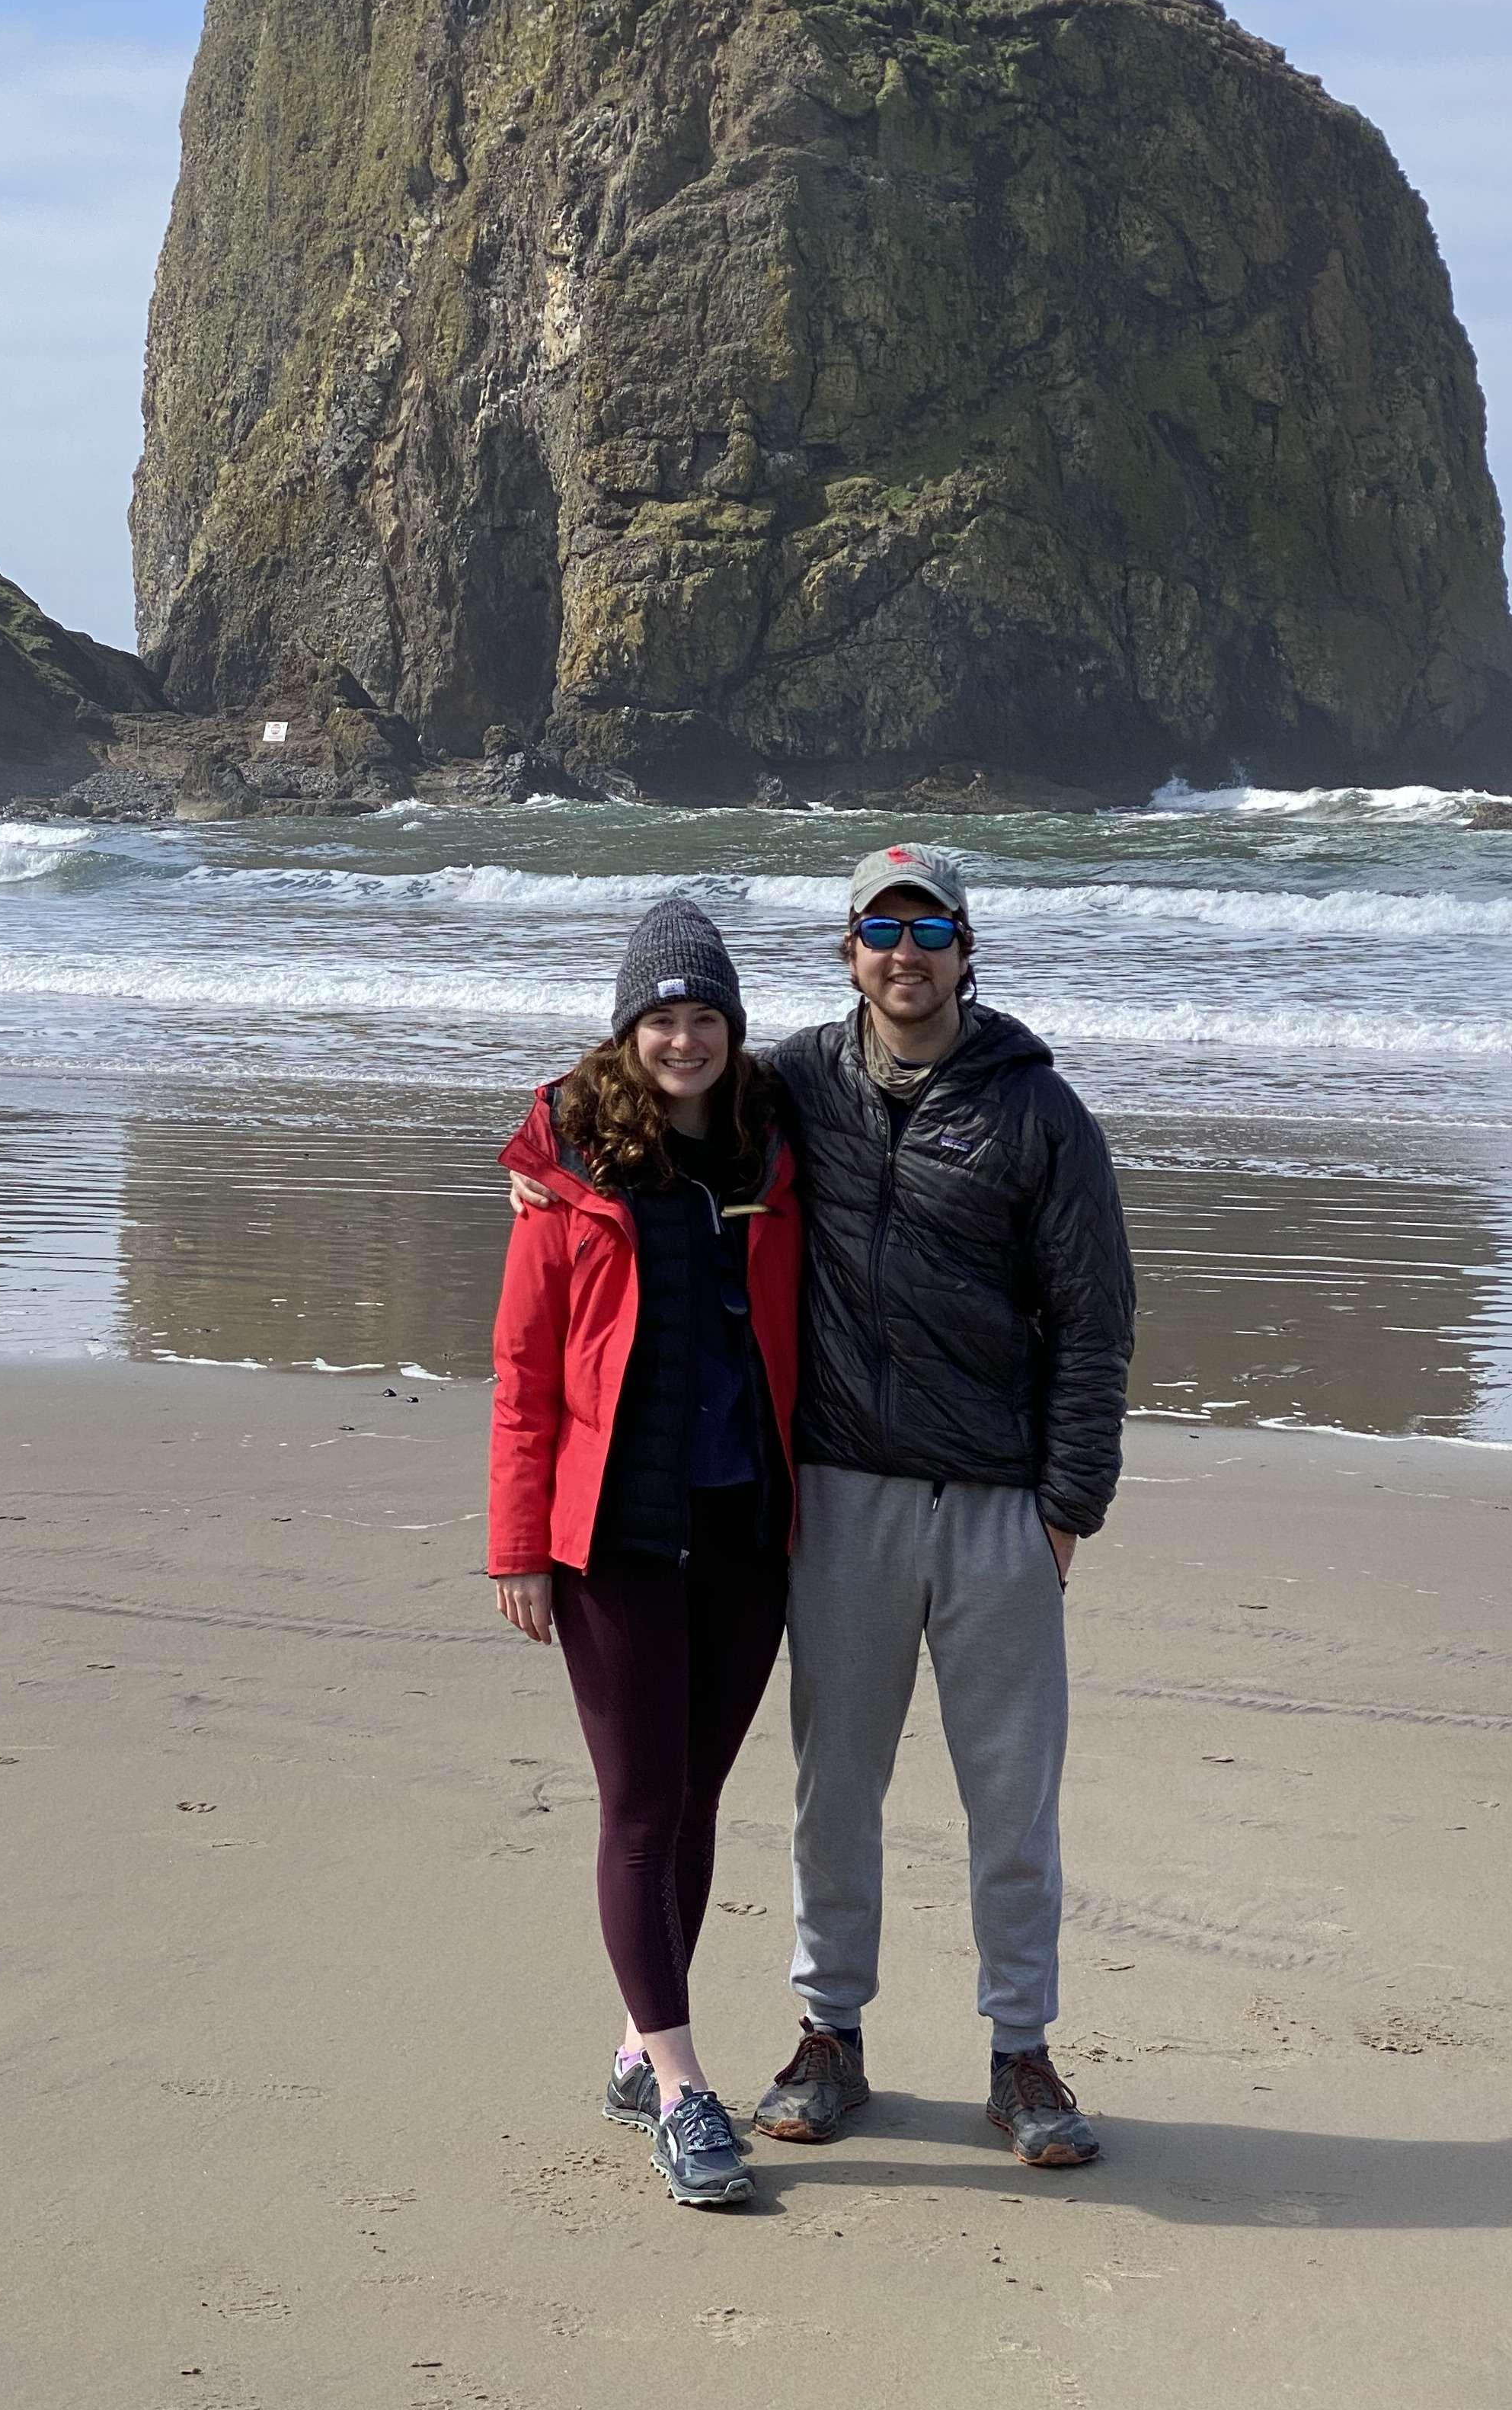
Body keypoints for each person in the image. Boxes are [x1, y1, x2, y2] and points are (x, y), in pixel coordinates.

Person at [519, 842, 1134, 2165]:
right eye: (881, 931)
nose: (906, 955)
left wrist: (1068, 1505)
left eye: (931, 931)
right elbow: (626, 1095)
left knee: (1011, 1802)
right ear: (849, 952)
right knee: (832, 1792)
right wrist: (534, 1158)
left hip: (999, 1504)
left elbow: (1096, 1322)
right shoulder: (793, 1086)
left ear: (966, 950)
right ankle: (829, 2037)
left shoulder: (1041, 1115)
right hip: (842, 1497)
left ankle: (1022, 2055)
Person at [485, 898, 804, 2209]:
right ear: (628, 1031)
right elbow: (522, 1374)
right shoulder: (570, 1167)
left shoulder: (775, 1144)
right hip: (614, 1535)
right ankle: (681, 2089)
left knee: (700, 1794)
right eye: (661, 1017)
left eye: (705, 1015)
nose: (684, 1038)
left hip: (747, 1525)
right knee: (639, 1803)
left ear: (734, 1029)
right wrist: (517, 1546)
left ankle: (637, 2044)